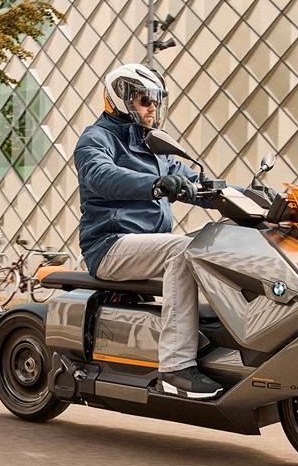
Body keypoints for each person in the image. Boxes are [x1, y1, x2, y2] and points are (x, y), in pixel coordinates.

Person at [72, 63, 223, 399]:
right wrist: (156, 185)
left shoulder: (155, 148)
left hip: (144, 247)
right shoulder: (96, 139)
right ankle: (175, 369)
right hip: (110, 245)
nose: (152, 107)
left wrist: (259, 199)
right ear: (121, 99)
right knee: (182, 250)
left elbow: (200, 185)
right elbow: (101, 176)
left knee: (217, 244)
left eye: (156, 100)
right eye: (144, 100)